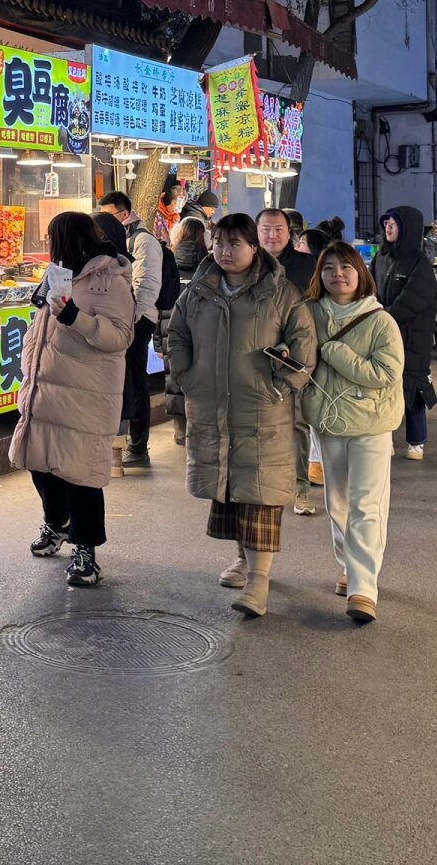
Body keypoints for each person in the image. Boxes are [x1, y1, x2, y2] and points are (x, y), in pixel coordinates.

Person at [165, 212, 317, 618]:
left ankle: (259, 582)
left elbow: (304, 346)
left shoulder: (281, 293)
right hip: (212, 405)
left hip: (262, 409)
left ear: (254, 248)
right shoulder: (199, 290)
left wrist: (280, 386)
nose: (224, 251)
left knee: (261, 495)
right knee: (231, 488)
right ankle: (243, 559)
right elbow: (177, 334)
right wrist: (187, 377)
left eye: (235, 243)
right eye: (218, 242)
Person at [9, 211, 136, 588]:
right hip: (47, 386)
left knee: (81, 475)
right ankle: (56, 524)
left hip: (85, 393)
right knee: (40, 462)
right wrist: (43, 300)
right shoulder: (59, 271)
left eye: (52, 237)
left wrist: (74, 316)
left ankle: (87, 551)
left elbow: (119, 337)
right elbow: (46, 321)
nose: (48, 244)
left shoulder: (109, 278)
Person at [303, 242, 404, 624]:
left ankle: (364, 587)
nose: (338, 275)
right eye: (329, 268)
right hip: (327, 421)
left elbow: (384, 374)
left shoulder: (380, 321)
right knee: (338, 502)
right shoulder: (308, 313)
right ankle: (349, 565)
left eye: (346, 267)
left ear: (360, 273)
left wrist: (333, 352)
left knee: (367, 505)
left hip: (371, 423)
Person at [256, 206, 319, 511]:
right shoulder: (246, 265)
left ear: (289, 232)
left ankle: (300, 488)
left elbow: (317, 309)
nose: (272, 234)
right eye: (266, 229)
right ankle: (262, 485)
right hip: (253, 357)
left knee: (298, 423)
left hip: (296, 356)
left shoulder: (308, 265)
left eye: (278, 229)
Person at [98, 191, 167, 467]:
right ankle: (126, 440)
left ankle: (138, 444)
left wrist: (131, 319)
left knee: (136, 380)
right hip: (125, 319)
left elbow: (147, 285)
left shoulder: (143, 241)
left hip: (138, 320)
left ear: (124, 214)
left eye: (108, 215)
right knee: (126, 379)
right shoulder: (121, 238)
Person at [373, 206, 437, 460]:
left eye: (394, 223)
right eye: (386, 223)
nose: (388, 227)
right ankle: (385, 437)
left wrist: (386, 316)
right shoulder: (381, 256)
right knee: (383, 384)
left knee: (413, 385)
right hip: (384, 330)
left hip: (413, 335)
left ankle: (417, 440)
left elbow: (415, 297)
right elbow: (371, 288)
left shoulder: (419, 262)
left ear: (408, 228)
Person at [165, 216, 210, 445]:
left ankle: (180, 430)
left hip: (171, 329)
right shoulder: (210, 263)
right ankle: (198, 426)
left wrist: (159, 340)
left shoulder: (170, 260)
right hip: (203, 331)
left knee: (175, 378)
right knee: (201, 378)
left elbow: (162, 302)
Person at [155, 179, 183, 243]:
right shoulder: (155, 214)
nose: (178, 209)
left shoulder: (176, 217)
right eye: (177, 204)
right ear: (170, 201)